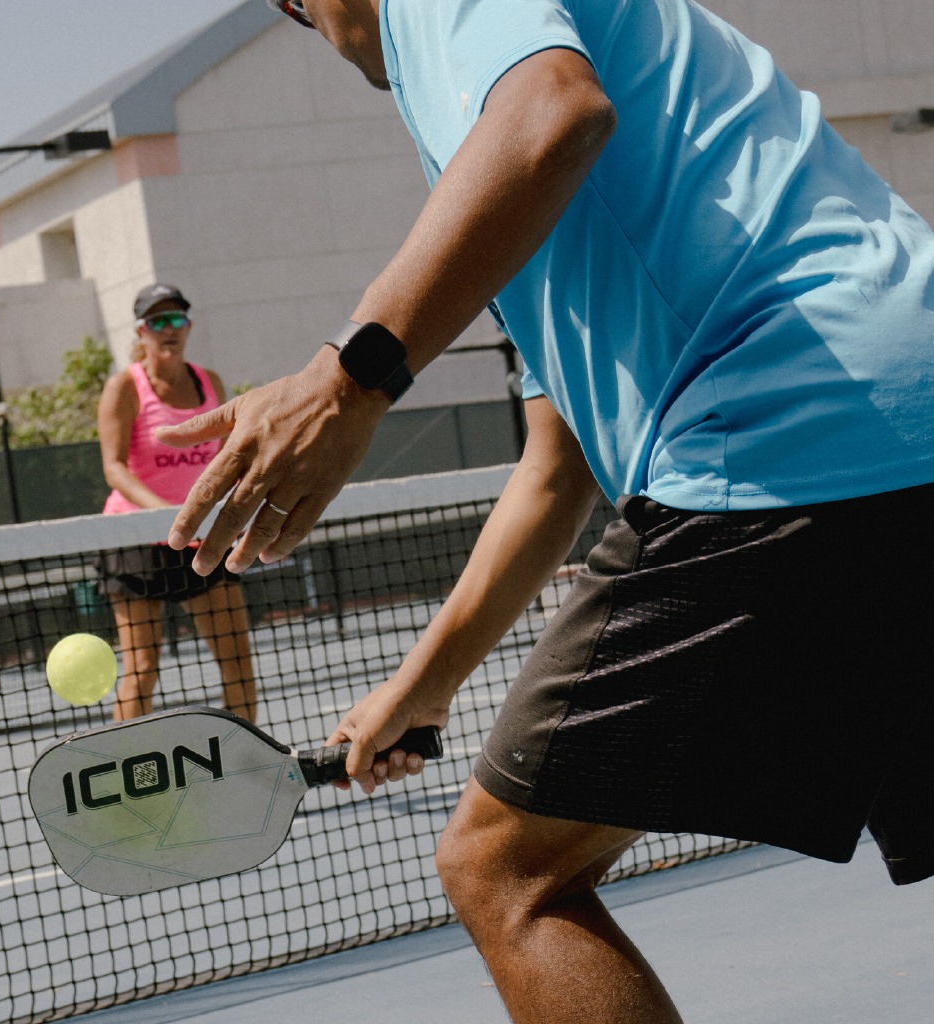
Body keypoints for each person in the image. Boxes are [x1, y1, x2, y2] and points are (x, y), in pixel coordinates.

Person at [158, 2, 934, 1020]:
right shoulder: (509, 163)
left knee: (504, 871)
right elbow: (555, 475)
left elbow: (554, 112)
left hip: (783, 421)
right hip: (902, 399)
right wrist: (421, 686)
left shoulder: (462, 46)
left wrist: (347, 381)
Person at [97, 283, 257, 723]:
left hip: (201, 540)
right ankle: (125, 777)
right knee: (143, 670)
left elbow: (230, 457)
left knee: (239, 670)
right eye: (157, 321)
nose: (168, 329)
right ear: (140, 332)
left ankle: (245, 771)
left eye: (176, 319)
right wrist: (166, 515)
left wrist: (234, 510)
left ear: (187, 326)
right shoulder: (123, 387)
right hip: (136, 542)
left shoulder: (211, 382)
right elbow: (114, 467)